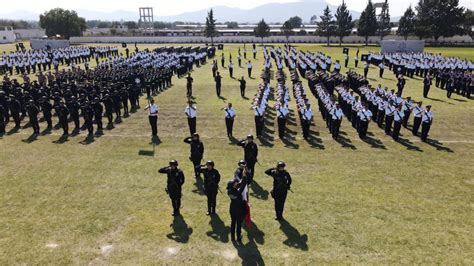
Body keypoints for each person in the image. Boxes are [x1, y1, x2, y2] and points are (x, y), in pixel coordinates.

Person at [227, 170, 248, 244]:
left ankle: (232, 237)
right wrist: (244, 176)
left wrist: (241, 179)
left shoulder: (230, 191)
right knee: (239, 224)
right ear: (233, 186)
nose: (236, 183)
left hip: (232, 209)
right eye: (234, 183)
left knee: (233, 223)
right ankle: (238, 238)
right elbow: (243, 185)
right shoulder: (237, 192)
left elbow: (239, 184)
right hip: (239, 210)